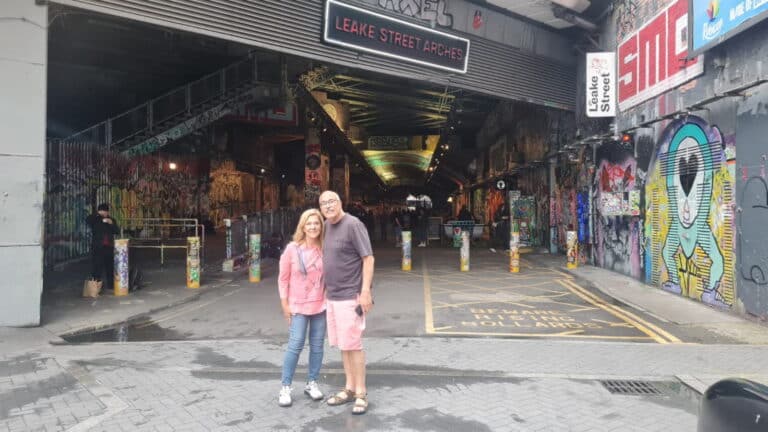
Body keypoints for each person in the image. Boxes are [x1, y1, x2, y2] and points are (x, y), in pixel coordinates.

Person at [318, 190, 374, 415]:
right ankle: (349, 387)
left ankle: (361, 393)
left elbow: (368, 258)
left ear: (340, 202)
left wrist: (365, 291)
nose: (328, 206)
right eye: (323, 203)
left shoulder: (353, 224)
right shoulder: (325, 226)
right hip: (332, 296)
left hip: (350, 295)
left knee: (354, 344)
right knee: (344, 344)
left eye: (332, 201)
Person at [277, 208, 327, 407]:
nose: (313, 227)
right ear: (303, 226)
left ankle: (312, 382)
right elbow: (283, 279)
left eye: (316, 223)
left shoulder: (325, 248)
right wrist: (284, 305)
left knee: (317, 346)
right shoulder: (292, 249)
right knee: (295, 344)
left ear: (321, 227)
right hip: (297, 305)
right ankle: (285, 387)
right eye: (309, 223)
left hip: (321, 304)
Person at [85, 203, 119, 293]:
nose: (105, 213)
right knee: (97, 267)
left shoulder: (111, 220)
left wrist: (111, 223)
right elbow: (88, 220)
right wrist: (98, 214)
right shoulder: (95, 219)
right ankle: (95, 287)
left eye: (106, 212)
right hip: (98, 247)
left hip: (109, 247)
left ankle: (111, 285)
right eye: (103, 211)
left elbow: (117, 231)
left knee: (109, 267)